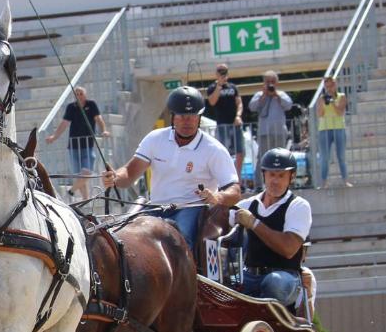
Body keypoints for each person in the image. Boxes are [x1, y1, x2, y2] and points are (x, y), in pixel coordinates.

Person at [101, 86, 241, 251]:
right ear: (173, 117)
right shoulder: (154, 139)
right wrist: (115, 178)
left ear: (199, 118)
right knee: (127, 238)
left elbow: (235, 191)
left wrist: (217, 197)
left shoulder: (214, 149)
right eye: (182, 116)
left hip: (191, 208)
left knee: (178, 241)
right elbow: (129, 173)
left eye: (192, 116)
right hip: (156, 207)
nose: (187, 121)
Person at [230, 148, 312, 306]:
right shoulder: (247, 204)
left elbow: (288, 249)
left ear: (292, 176)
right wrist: (214, 201)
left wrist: (254, 223)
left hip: (286, 278)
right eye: (271, 174)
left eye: (281, 175)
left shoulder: (299, 206)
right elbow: (220, 220)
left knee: (274, 283)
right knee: (224, 287)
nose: (275, 181)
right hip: (250, 275)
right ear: (263, 175)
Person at [46, 86, 110, 200]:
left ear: (85, 95)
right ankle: (86, 200)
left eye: (81, 93)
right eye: (77, 94)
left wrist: (104, 130)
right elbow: (64, 123)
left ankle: (71, 191)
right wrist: (54, 137)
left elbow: (99, 119)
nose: (79, 96)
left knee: (86, 172)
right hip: (73, 147)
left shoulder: (91, 105)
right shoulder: (71, 107)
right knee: (79, 176)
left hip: (88, 145)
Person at [207, 63, 245, 182]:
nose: (223, 75)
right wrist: (219, 86)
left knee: (240, 151)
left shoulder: (233, 87)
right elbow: (212, 102)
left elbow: (239, 103)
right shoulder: (212, 87)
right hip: (222, 124)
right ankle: (226, 179)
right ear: (216, 74)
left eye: (225, 72)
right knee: (223, 151)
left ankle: (237, 178)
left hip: (235, 124)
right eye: (220, 72)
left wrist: (238, 116)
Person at [316, 76, 352, 188]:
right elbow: (320, 114)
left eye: (331, 86)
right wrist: (323, 102)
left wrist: (332, 102)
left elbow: (339, 112)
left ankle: (345, 180)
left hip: (339, 128)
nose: (329, 89)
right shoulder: (321, 98)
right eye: (327, 87)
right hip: (324, 129)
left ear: (335, 85)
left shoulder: (342, 96)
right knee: (324, 158)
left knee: (341, 156)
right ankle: (324, 182)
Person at [248, 70, 292, 149]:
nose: (270, 84)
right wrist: (263, 96)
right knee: (264, 157)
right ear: (264, 83)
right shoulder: (259, 94)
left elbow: (289, 105)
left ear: (277, 83)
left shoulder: (281, 94)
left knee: (280, 155)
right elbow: (252, 107)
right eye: (268, 82)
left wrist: (277, 96)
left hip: (279, 132)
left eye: (273, 81)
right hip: (264, 132)